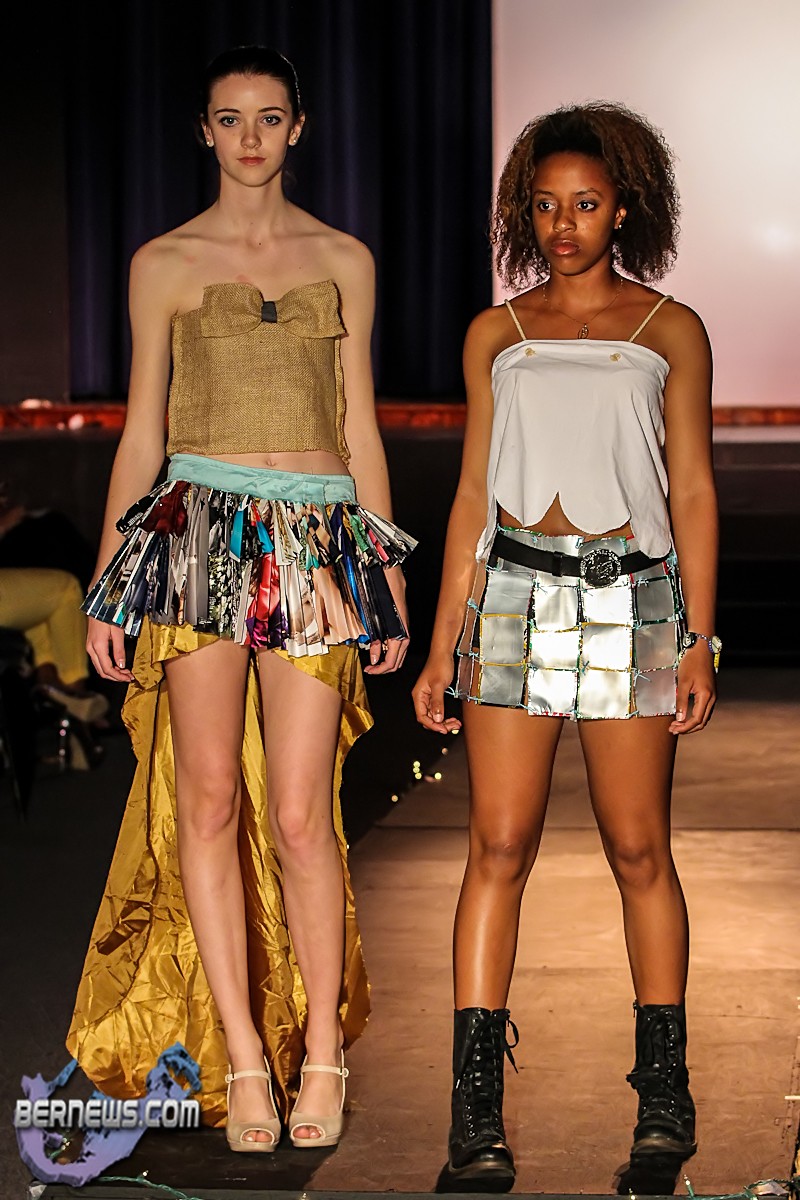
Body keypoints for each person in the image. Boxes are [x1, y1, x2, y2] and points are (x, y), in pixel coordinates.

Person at [67, 46, 414, 1153]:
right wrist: (110, 584)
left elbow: (358, 425)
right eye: (230, 118)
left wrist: (385, 567)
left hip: (314, 539)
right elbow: (141, 433)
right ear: (204, 131)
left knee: (304, 813)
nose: (250, 137)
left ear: (298, 128)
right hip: (196, 534)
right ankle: (247, 1061)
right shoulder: (163, 262)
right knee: (208, 798)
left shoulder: (344, 259)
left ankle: (324, 1055)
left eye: (269, 117)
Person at [413, 102, 719, 1191]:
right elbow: (468, 498)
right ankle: (474, 1119)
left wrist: (697, 638)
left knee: (638, 851)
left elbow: (692, 491)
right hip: (510, 596)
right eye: (545, 206)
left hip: (633, 599)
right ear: (523, 213)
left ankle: (663, 1100)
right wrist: (442, 645)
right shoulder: (494, 333)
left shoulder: (669, 328)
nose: (563, 224)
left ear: (623, 208)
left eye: (585, 204)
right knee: (497, 847)